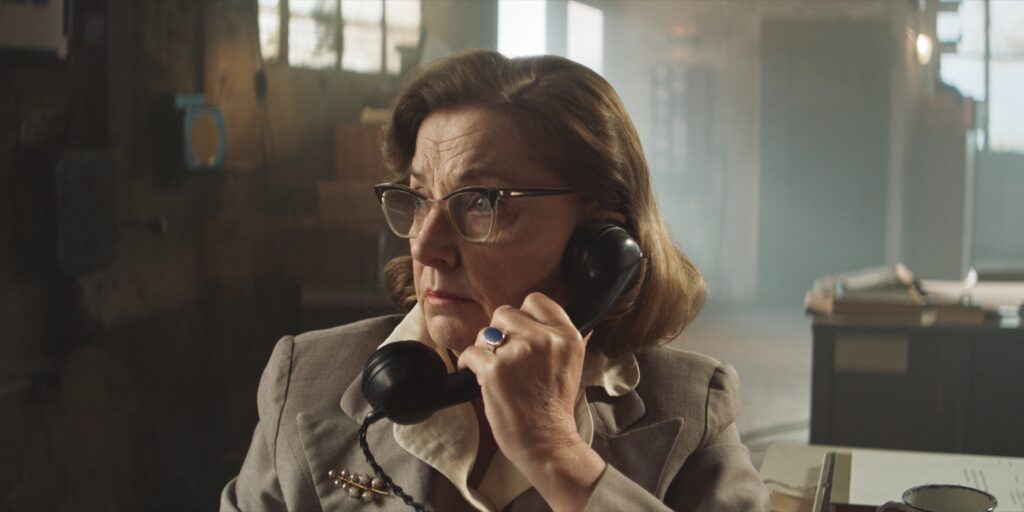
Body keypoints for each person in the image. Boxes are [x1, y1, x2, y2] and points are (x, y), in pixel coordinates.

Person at [222, 50, 769, 511]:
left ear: (599, 241)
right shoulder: (302, 383)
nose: (425, 244)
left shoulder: (692, 407)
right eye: (417, 199)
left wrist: (560, 457)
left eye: (480, 202)